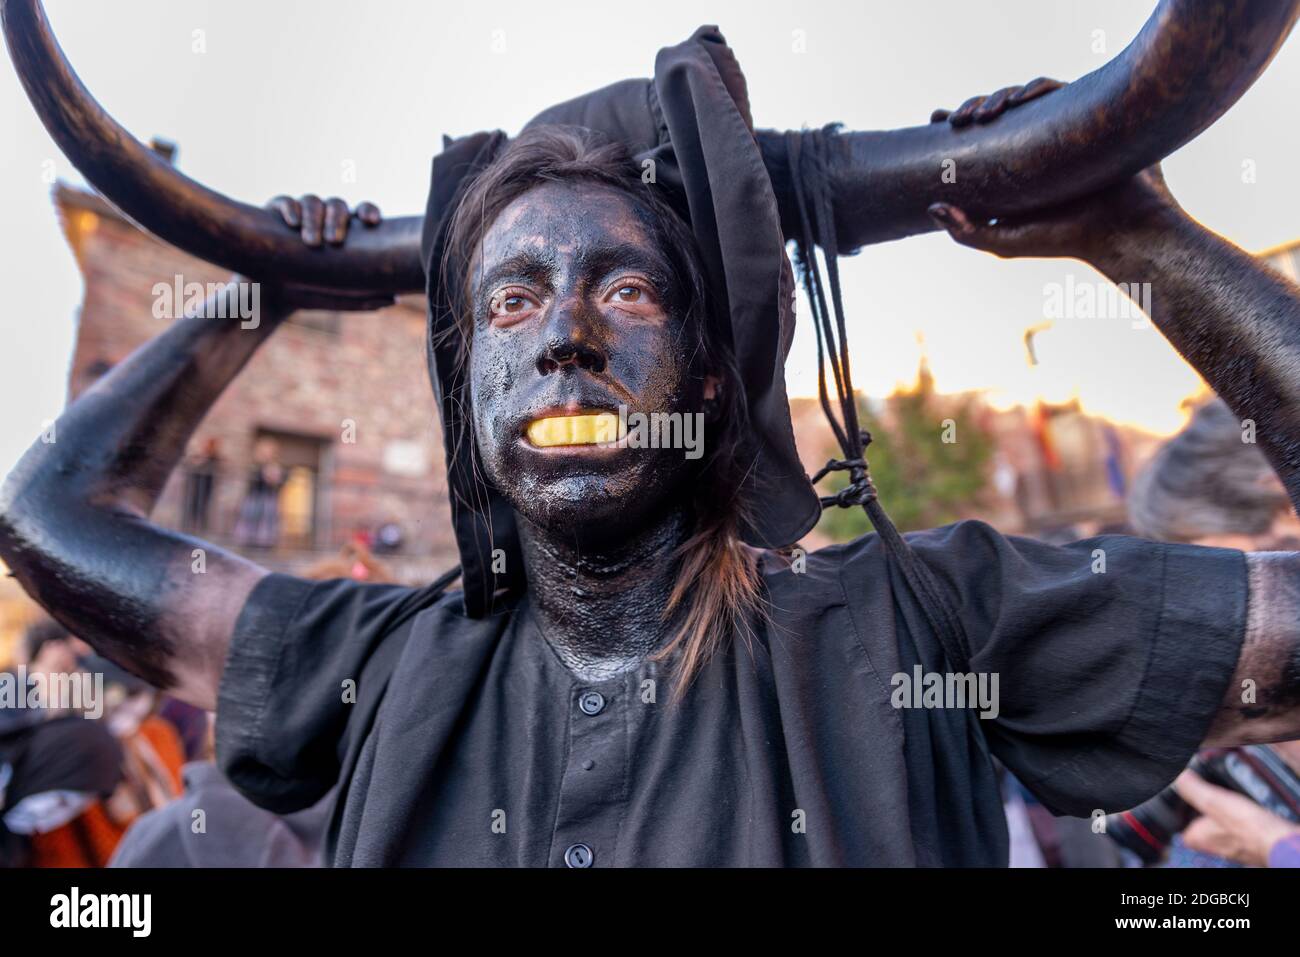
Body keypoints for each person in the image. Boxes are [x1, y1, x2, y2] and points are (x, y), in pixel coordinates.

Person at [4, 30, 1300, 867]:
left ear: (714, 372)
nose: (563, 333)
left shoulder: (928, 623)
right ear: (472, 390)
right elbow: (53, 517)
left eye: (627, 293)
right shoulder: (375, 661)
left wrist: (1142, 242)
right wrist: (254, 291)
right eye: (510, 301)